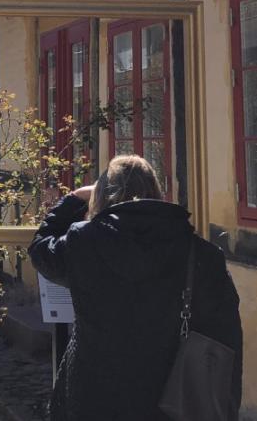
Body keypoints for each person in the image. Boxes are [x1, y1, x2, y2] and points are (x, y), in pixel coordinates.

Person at [29, 154, 242, 421]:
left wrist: (73, 198)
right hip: (171, 401)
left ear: (103, 196)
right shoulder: (201, 254)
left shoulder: (84, 243)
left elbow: (40, 249)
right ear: (156, 193)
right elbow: (227, 340)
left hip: (93, 398)